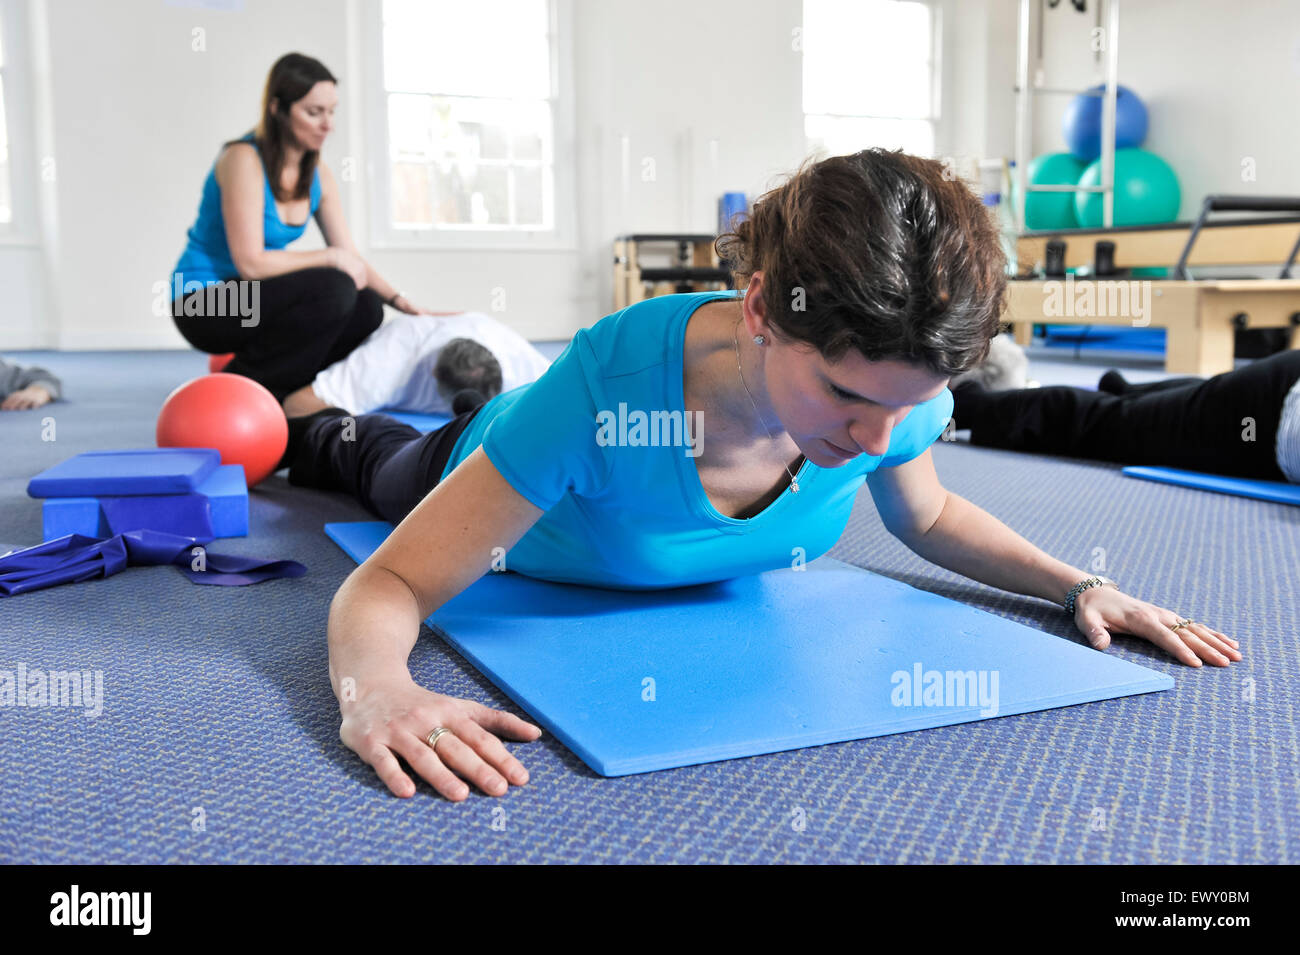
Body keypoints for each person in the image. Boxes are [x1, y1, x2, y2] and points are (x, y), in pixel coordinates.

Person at [287, 149, 1241, 803]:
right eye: (843, 396)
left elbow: (931, 513)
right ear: (760, 312)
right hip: (468, 464)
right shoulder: (604, 397)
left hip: (561, 454)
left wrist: (1080, 583)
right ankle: (320, 421)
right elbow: (394, 580)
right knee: (365, 459)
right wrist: (374, 686)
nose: (877, 441)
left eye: (906, 406)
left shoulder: (900, 392)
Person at [168, 52, 449, 405]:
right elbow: (251, 264)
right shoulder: (242, 159)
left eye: (331, 112)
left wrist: (400, 301)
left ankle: (288, 392)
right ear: (277, 109)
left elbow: (350, 256)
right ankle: (240, 388)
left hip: (254, 299)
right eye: (314, 112)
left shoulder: (318, 175)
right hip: (203, 302)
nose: (327, 124)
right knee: (333, 288)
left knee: (366, 307)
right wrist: (329, 258)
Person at [951, 353, 1300, 483]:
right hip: (1267, 415)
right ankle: (967, 405)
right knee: (1108, 423)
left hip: (1273, 397)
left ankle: (1128, 389)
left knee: (1190, 402)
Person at [278, 312, 553, 419]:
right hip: (339, 344)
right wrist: (365, 431)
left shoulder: (519, 362)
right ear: (433, 375)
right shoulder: (389, 360)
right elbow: (296, 404)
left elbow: (580, 400)